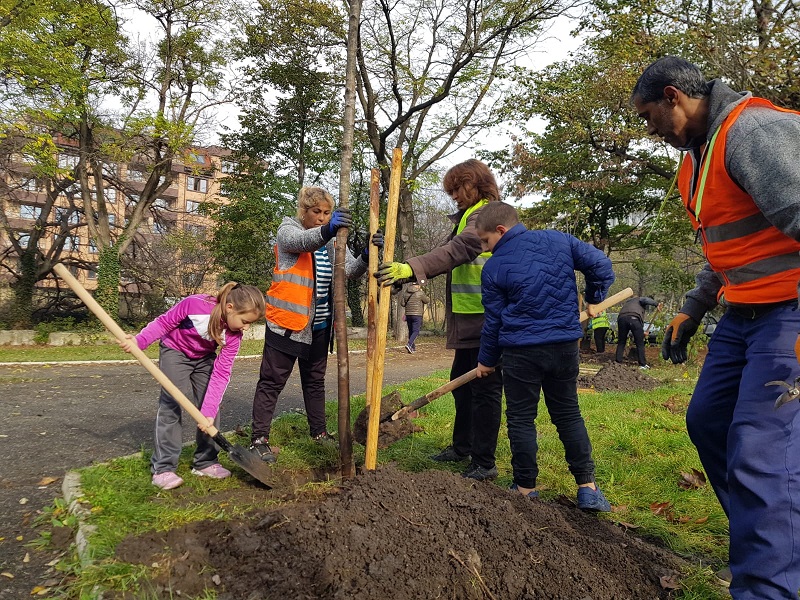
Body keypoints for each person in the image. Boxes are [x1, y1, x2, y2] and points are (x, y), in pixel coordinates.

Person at [632, 56, 800, 599]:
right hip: (742, 315)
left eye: (648, 116)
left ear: (673, 96)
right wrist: (693, 309)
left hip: (788, 312)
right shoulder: (695, 163)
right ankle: (769, 539)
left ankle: (770, 584)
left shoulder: (752, 131)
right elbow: (723, 250)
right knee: (709, 421)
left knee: (759, 450)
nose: (649, 130)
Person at [474, 202, 615, 511]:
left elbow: (494, 322)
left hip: (520, 353)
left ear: (501, 230)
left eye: (485, 241)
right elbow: (601, 265)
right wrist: (594, 298)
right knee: (568, 414)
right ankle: (588, 488)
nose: (484, 249)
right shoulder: (558, 240)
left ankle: (525, 489)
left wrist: (486, 360)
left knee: (521, 418)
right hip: (564, 345)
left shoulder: (494, 268)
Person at [375, 158, 503, 481]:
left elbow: (457, 251)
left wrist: (411, 268)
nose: (455, 196)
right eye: (452, 191)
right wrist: (407, 270)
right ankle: (463, 447)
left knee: (484, 391)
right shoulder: (466, 217)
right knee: (462, 385)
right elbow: (444, 250)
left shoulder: (488, 215)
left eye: (459, 189)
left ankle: (484, 462)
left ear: (477, 184)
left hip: (488, 317)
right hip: (470, 317)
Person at [250, 186, 382, 463]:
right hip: (288, 325)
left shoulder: (333, 243)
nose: (322, 218)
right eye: (316, 212)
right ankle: (259, 439)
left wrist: (367, 255)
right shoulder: (288, 230)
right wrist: (329, 230)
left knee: (315, 382)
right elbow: (302, 241)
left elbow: (348, 273)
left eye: (326, 213)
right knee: (272, 382)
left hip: (321, 327)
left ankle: (319, 433)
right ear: (303, 211)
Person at [118, 283, 265, 490]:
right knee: (172, 403)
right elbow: (163, 324)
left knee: (211, 408)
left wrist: (208, 412)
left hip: (204, 358)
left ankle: (205, 462)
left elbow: (221, 374)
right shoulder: (194, 305)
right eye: (245, 321)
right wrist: (139, 341)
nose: (246, 327)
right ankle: (163, 468)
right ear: (230, 307)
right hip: (174, 352)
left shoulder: (233, 336)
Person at [614, 297, 659, 369]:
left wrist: (642, 333)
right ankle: (643, 364)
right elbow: (645, 300)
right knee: (640, 343)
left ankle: (617, 362)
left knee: (621, 342)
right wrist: (657, 304)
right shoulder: (640, 299)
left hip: (621, 319)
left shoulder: (628, 303)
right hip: (634, 318)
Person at [400, 282, 429, 353]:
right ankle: (409, 344)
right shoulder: (420, 293)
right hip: (417, 315)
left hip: (408, 315)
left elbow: (402, 304)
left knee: (411, 331)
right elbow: (426, 300)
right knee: (416, 331)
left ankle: (412, 348)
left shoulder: (406, 292)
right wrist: (423, 293)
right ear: (417, 285)